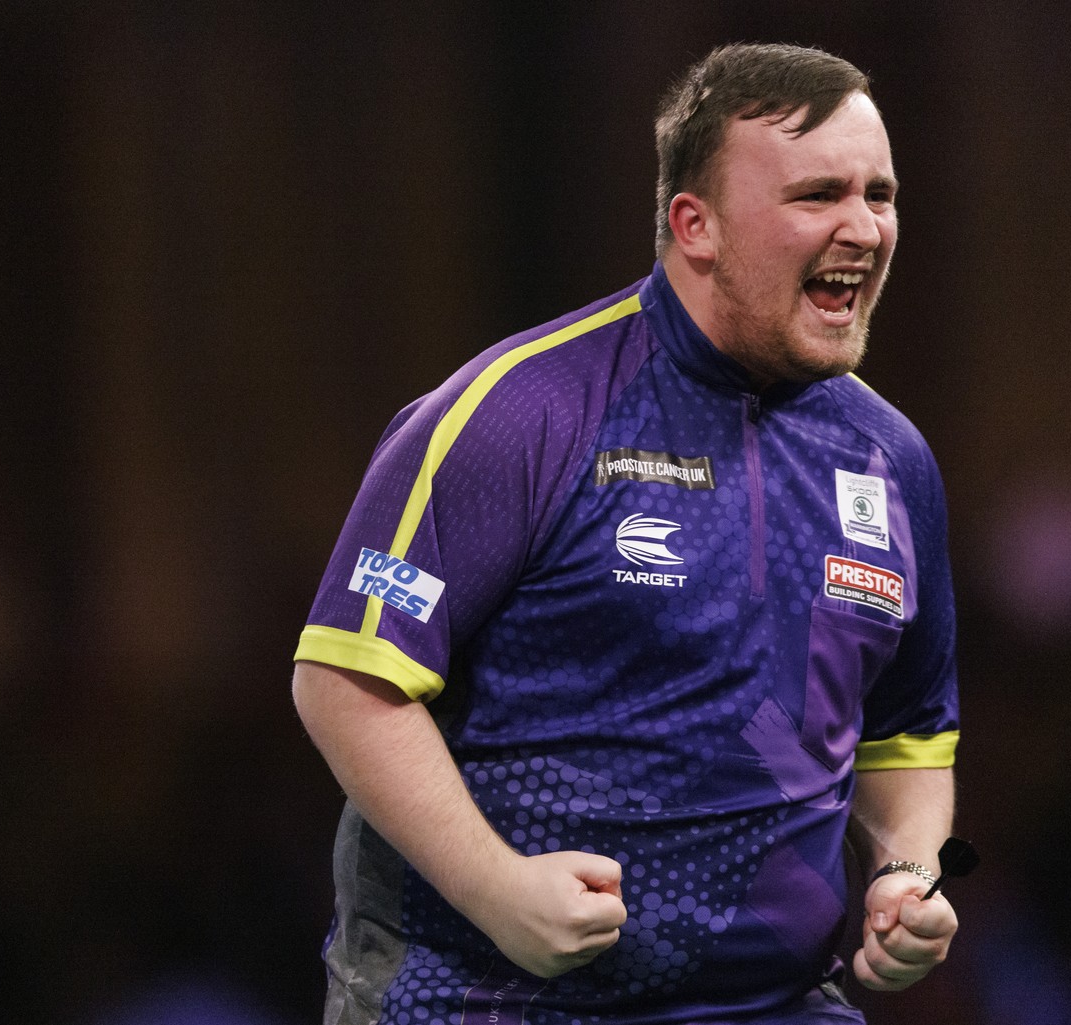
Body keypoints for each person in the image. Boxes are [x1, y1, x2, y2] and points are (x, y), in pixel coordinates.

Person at [292, 42, 962, 1025]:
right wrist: (498, 889)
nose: (863, 226)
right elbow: (349, 677)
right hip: (485, 997)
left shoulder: (890, 458)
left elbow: (907, 735)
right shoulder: (520, 414)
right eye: (819, 194)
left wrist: (906, 868)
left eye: (881, 193)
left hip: (775, 1004)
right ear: (696, 225)